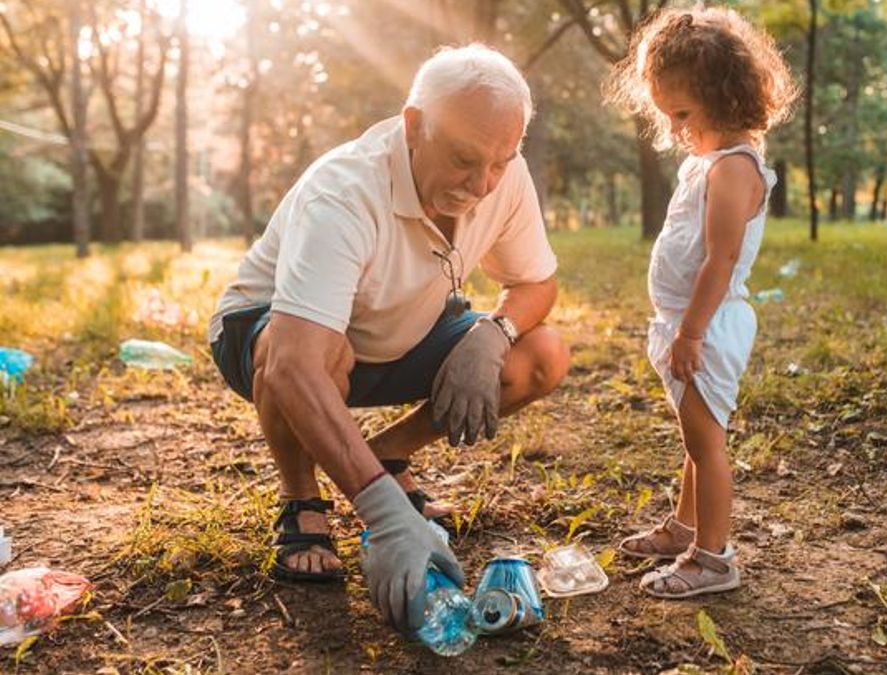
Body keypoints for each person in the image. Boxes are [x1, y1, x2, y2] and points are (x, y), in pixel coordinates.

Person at [207, 45, 569, 632]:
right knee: (298, 351)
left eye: (501, 161)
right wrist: (384, 514)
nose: (482, 184)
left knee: (542, 353)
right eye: (463, 159)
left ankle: (386, 454)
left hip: (402, 331)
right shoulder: (344, 190)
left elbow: (537, 282)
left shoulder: (504, 176)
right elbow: (295, 366)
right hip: (273, 337)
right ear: (414, 126)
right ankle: (302, 500)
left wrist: (493, 334)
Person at [604, 7, 797, 598]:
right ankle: (684, 526)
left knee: (706, 446)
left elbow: (720, 259)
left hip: (706, 328)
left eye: (683, 114)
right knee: (695, 438)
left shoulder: (735, 169)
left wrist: (690, 333)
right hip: (689, 325)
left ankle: (713, 558)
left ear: (723, 95)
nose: (678, 129)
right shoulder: (710, 163)